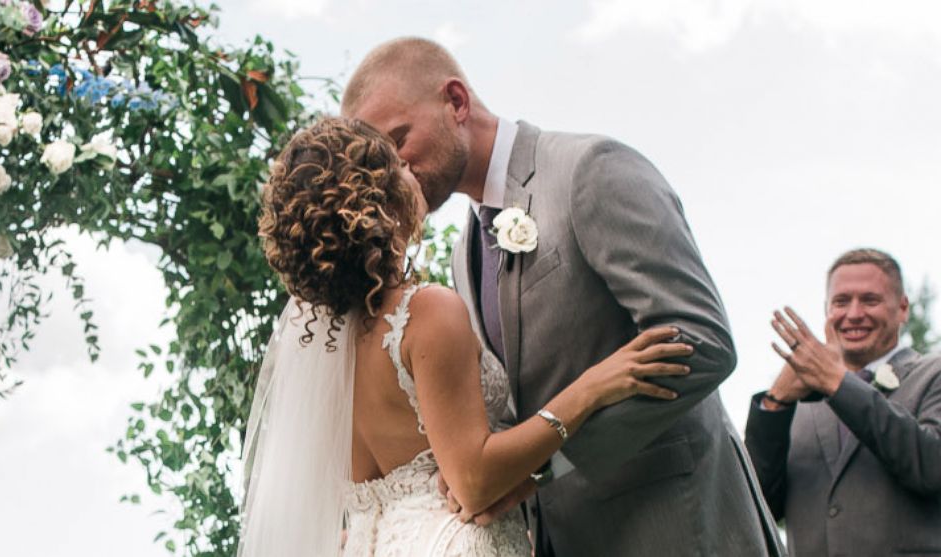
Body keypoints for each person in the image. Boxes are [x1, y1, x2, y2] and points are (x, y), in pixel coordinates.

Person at [341, 37, 782, 557]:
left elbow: (703, 341)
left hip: (677, 527)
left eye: (398, 140)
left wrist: (548, 464)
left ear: (456, 102)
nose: (394, 171)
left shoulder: (590, 168)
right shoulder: (464, 253)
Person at [238, 117, 696, 556]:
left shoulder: (319, 344)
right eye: (397, 164)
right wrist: (592, 388)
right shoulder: (425, 312)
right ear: (376, 202)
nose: (410, 170)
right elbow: (473, 482)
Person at [745, 248, 941, 556]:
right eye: (841, 302)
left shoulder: (934, 374)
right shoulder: (801, 404)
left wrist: (838, 384)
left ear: (902, 308)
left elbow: (931, 468)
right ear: (827, 310)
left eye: (870, 300)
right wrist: (775, 404)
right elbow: (758, 507)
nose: (853, 314)